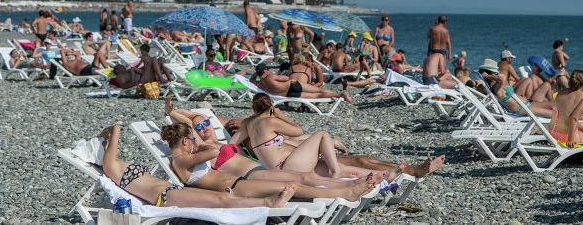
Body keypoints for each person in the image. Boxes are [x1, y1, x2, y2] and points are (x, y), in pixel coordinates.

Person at [166, 97, 446, 179]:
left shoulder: (235, 125)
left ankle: (405, 172)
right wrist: (176, 113)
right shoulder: (229, 139)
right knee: (359, 161)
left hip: (297, 151)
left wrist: (203, 117)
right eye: (200, 125)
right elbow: (185, 121)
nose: (204, 126)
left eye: (207, 122)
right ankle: (411, 171)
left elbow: (292, 138)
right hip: (289, 162)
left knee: (362, 160)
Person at [161, 122, 376, 201]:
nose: (194, 144)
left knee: (295, 184)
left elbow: (209, 153)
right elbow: (209, 154)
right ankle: (346, 191)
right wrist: (204, 147)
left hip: (238, 182)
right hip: (235, 188)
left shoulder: (186, 157)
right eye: (192, 140)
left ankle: (348, 188)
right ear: (185, 141)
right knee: (293, 186)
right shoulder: (180, 161)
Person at [99, 125, 294, 209]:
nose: (112, 148)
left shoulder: (121, 165)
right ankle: (268, 203)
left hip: (172, 190)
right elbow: (112, 145)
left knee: (225, 197)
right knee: (221, 199)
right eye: (106, 149)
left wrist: (106, 142)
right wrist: (113, 131)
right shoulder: (112, 166)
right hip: (164, 197)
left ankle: (268, 202)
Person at [233, 93, 404, 180]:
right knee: (322, 134)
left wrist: (245, 162)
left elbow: (231, 145)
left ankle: (383, 175)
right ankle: (336, 173)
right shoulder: (270, 121)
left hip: (284, 166)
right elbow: (298, 131)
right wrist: (280, 116)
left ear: (253, 109)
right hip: (286, 167)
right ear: (270, 107)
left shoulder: (248, 123)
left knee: (336, 166)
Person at [250, 63, 354, 103]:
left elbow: (252, 79)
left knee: (317, 95)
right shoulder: (271, 76)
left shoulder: (259, 84)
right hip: (293, 85)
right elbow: (286, 78)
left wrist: (257, 75)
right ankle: (340, 94)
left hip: (289, 94)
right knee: (318, 90)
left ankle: (340, 95)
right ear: (265, 70)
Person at [549, 70, 583, 148]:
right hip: (565, 138)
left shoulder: (561, 92)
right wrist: (570, 139)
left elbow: (564, 118)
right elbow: (573, 118)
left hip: (552, 133)